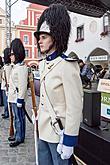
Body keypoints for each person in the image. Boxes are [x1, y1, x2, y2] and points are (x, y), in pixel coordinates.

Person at [34, 4, 83, 165]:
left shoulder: (67, 65)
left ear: (55, 36)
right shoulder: (42, 64)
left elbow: (75, 106)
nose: (39, 41)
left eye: (44, 37)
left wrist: (69, 139)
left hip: (58, 135)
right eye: (39, 37)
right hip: (43, 131)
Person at [8, 38, 28, 147]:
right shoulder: (16, 66)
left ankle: (20, 137)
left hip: (17, 98)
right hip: (13, 97)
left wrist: (20, 99)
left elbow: (22, 85)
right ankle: (17, 134)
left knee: (19, 119)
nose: (10, 56)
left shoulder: (21, 67)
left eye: (12, 53)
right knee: (16, 118)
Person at [1, 48, 12, 119]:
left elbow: (7, 79)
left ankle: (7, 113)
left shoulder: (7, 67)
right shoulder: (7, 66)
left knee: (6, 102)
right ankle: (6, 112)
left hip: (6, 87)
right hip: (5, 86)